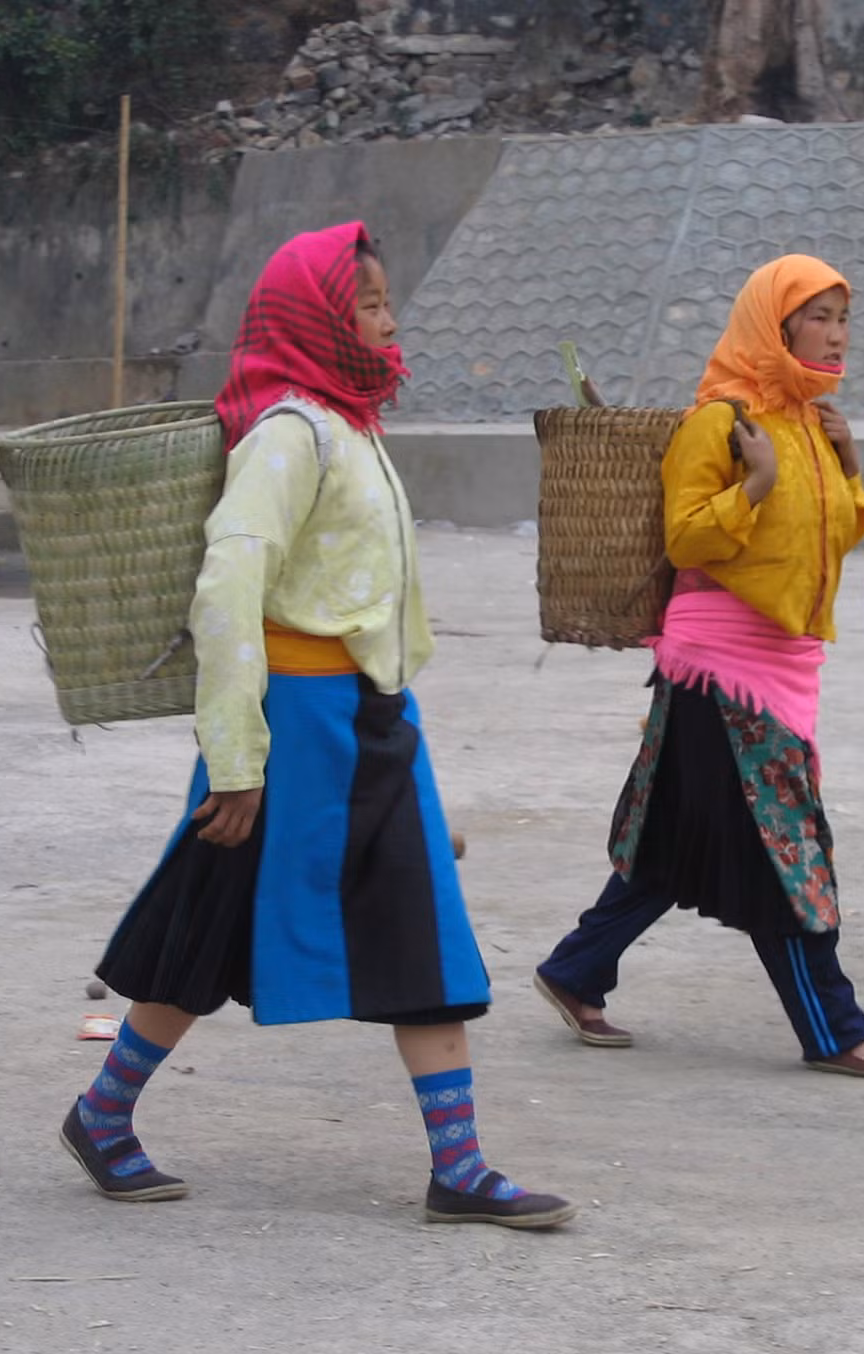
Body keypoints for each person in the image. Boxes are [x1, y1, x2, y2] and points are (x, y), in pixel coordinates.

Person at [59, 221, 575, 1228]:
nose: (388, 322)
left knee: (424, 935)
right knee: (204, 925)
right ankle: (103, 1113)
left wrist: (390, 707)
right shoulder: (290, 435)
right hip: (292, 734)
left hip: (371, 724)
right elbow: (228, 588)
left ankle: (458, 1169)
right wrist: (237, 758)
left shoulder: (350, 425)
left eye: (387, 303)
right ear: (316, 321)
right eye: (368, 305)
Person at [534, 254, 864, 1078]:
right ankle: (835, 1029)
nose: (836, 333)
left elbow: (827, 542)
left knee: (677, 840)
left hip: (783, 664)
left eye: (842, 317)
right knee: (784, 850)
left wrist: (848, 465)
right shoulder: (721, 421)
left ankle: (575, 970)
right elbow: (687, 540)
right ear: (772, 325)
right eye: (817, 316)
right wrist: (756, 484)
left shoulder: (814, 423)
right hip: (720, 668)